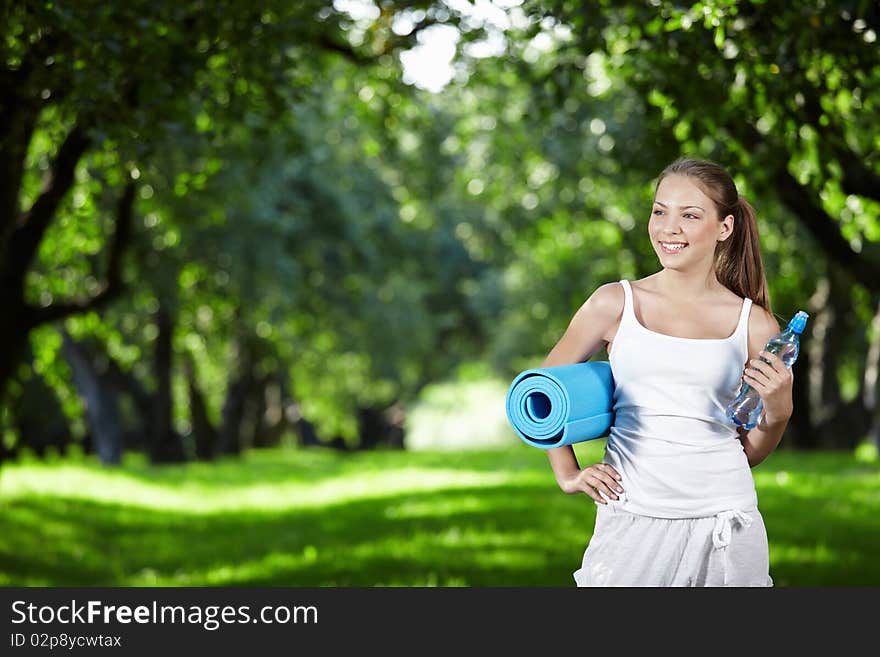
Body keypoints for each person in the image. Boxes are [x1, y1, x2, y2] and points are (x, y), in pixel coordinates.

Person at [541, 157, 794, 587]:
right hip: (631, 513)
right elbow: (543, 396)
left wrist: (779, 410)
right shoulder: (613, 303)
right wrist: (567, 473)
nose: (668, 227)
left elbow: (750, 451)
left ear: (724, 228)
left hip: (723, 520)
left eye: (689, 215)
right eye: (660, 211)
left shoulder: (755, 325)